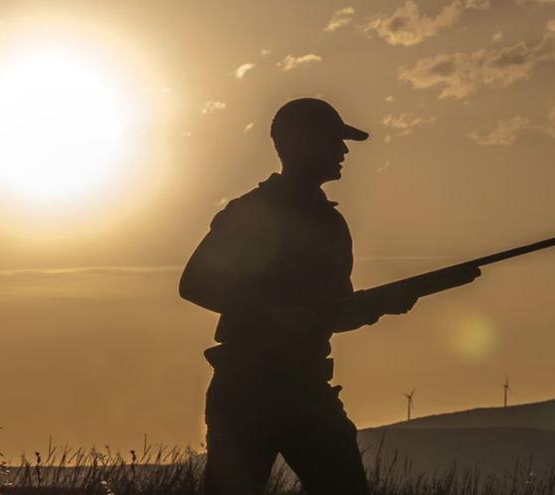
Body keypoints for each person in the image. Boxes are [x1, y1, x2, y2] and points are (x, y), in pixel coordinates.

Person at [179, 97, 480, 495]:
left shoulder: (331, 223)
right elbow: (195, 283)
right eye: (333, 140)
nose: (343, 150)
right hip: (247, 389)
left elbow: (334, 312)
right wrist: (278, 313)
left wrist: (383, 305)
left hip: (307, 387)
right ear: (300, 142)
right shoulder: (252, 213)